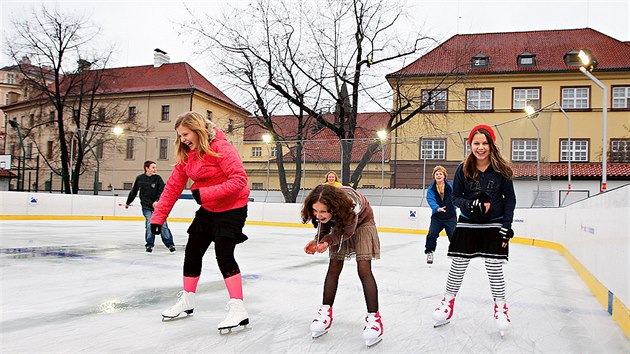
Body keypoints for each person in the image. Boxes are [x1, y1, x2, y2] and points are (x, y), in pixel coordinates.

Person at [149, 111, 251, 333]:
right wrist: (158, 217)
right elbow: (173, 188)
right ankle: (187, 300)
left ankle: (238, 308)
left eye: (185, 134)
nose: (183, 139)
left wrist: (205, 195)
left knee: (224, 254)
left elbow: (240, 180)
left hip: (233, 208)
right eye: (180, 135)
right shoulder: (187, 155)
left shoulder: (221, 148)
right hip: (208, 209)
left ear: (197, 130)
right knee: (192, 252)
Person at [431, 124, 516, 337]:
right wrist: (469, 206)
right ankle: (447, 303)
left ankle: (500, 308)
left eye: (485, 143)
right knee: (458, 265)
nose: (481, 147)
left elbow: (510, 200)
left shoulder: (501, 170)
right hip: (468, 223)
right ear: (471, 145)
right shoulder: (463, 168)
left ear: (491, 144)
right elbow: (455, 197)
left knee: (494, 267)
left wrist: (506, 226)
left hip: (494, 224)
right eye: (476, 143)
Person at [302, 184, 384, 347]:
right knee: (334, 267)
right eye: (315, 211)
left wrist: (326, 242)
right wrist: (318, 240)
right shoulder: (326, 210)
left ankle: (374, 319)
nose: (318, 215)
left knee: (363, 269)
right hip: (341, 223)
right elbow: (324, 225)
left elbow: (345, 232)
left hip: (363, 224)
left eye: (322, 211)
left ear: (334, 208)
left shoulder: (352, 207)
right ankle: (325, 312)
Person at [125, 160, 175, 253]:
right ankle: (149, 245)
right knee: (149, 224)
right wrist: (128, 202)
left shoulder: (158, 178)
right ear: (147, 168)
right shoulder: (140, 178)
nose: (155, 169)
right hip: (146, 207)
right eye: (153, 167)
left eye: (155, 167)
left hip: (158, 207)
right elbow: (134, 191)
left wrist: (157, 201)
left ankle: (170, 244)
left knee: (163, 225)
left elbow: (163, 191)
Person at [424, 165, 457, 264]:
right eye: (436, 174)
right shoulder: (431, 189)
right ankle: (430, 252)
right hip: (437, 217)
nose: (438, 176)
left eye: (440, 174)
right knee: (432, 235)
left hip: (450, 217)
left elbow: (457, 197)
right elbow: (431, 200)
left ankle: (455, 253)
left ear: (444, 176)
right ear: (434, 176)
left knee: (453, 236)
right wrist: (437, 208)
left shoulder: (451, 187)